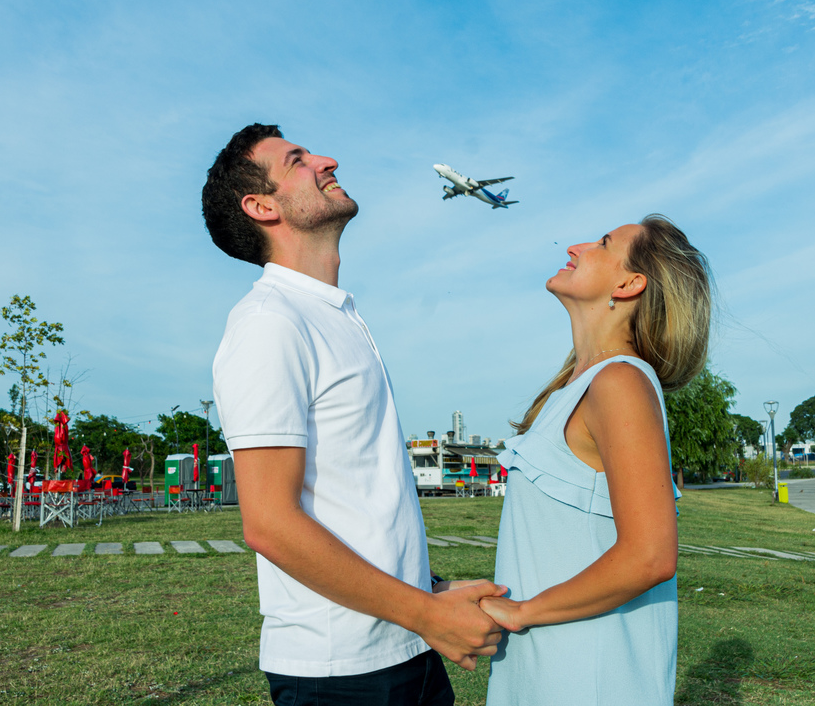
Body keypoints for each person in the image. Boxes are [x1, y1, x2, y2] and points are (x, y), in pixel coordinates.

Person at [202, 124, 504, 706]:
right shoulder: (270, 322)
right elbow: (268, 522)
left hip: (406, 646)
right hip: (340, 674)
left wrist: (429, 588)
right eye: (297, 160)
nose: (326, 159)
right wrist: (426, 613)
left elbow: (353, 496)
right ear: (262, 206)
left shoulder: (335, 315)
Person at [478, 215, 713, 706]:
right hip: (545, 667)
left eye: (604, 243)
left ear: (629, 284)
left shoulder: (620, 383)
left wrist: (523, 612)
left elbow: (649, 556)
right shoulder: (577, 388)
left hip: (588, 675)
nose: (578, 245)